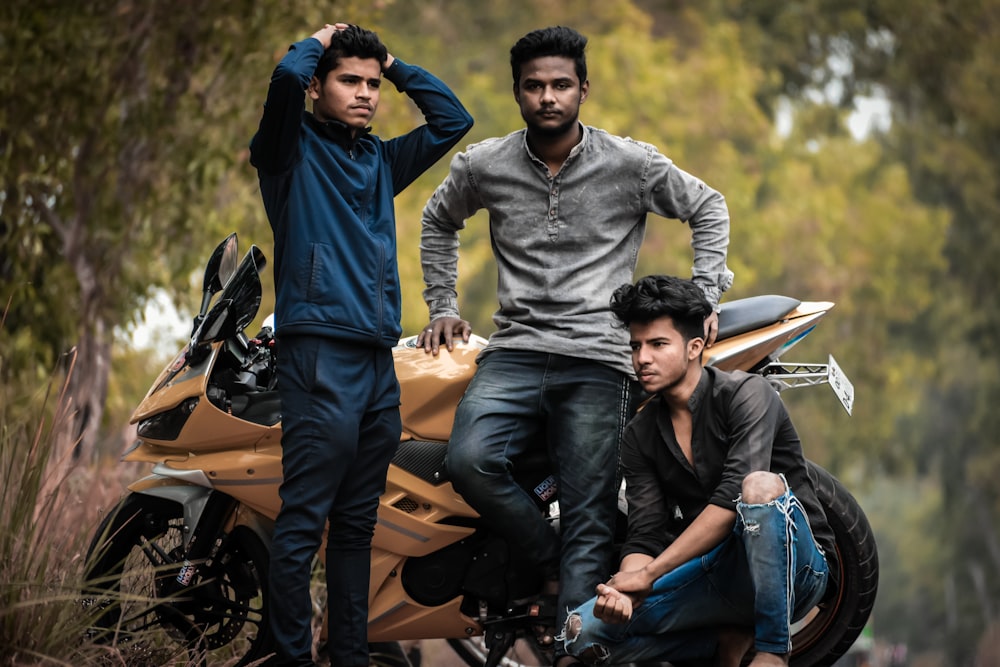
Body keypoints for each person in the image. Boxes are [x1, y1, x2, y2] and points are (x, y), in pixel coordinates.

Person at [417, 26, 732, 667]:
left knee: (590, 517)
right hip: (515, 350)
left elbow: (708, 206)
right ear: (517, 93)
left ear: (583, 89)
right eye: (534, 86)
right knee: (469, 460)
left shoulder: (631, 164)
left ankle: (573, 653)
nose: (548, 97)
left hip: (599, 359)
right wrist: (444, 307)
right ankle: (547, 558)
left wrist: (703, 297)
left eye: (561, 84)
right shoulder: (485, 165)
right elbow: (436, 219)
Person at [249, 22, 472, 667]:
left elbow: (452, 119)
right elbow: (287, 78)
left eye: (373, 84)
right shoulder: (286, 152)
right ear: (319, 86)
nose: (367, 93)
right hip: (318, 355)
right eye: (351, 80)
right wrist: (317, 41)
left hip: (378, 362)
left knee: (355, 529)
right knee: (301, 525)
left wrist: (394, 62)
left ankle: (350, 657)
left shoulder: (378, 161)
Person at [561, 275, 837, 667]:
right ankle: (719, 639)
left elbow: (733, 499)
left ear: (694, 347)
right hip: (716, 575)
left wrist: (651, 574)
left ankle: (773, 650)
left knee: (757, 488)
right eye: (636, 346)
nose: (642, 358)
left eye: (658, 344)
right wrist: (624, 591)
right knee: (580, 634)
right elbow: (645, 532)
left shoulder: (747, 394)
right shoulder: (639, 434)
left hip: (795, 568)